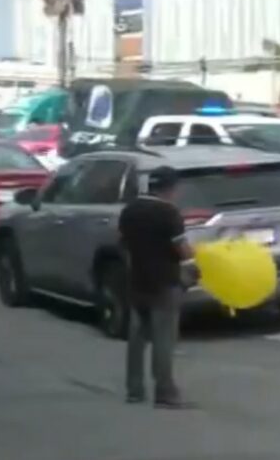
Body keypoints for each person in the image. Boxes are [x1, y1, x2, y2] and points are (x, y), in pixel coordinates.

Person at [120, 166, 194, 409]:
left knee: (137, 337)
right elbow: (182, 250)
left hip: (137, 281)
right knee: (163, 339)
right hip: (164, 283)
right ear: (170, 188)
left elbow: (123, 244)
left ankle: (134, 390)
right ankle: (164, 392)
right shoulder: (169, 213)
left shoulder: (130, 210)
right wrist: (195, 259)